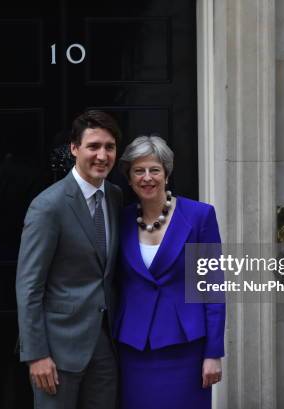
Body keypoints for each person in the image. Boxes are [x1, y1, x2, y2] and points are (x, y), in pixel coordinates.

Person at [16, 110, 123, 409]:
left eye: (109, 147)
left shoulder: (115, 197)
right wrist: (36, 354)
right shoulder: (48, 206)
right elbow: (29, 286)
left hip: (104, 347)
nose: (102, 155)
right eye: (93, 146)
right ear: (74, 148)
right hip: (57, 350)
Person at [114, 135, 225, 409]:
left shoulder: (200, 216)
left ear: (167, 174)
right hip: (134, 349)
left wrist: (213, 353)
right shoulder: (121, 219)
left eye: (155, 169)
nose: (147, 177)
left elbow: (212, 288)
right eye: (139, 170)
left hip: (186, 349)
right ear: (129, 178)